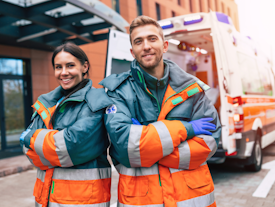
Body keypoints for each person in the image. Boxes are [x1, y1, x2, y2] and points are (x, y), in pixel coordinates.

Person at [101, 16, 221, 207]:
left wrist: (148, 145)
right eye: (138, 41)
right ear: (132, 51)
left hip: (191, 198)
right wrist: (187, 129)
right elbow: (125, 148)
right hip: (143, 200)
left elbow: (210, 142)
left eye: (152, 39)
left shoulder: (191, 88)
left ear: (164, 46)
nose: (146, 46)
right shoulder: (117, 91)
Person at [20, 42, 112, 207]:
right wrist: (51, 147)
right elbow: (28, 151)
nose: (64, 73)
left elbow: (69, 147)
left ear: (85, 67)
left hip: (83, 200)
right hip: (45, 198)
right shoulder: (46, 102)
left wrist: (32, 138)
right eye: (58, 67)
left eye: (70, 66)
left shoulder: (96, 101)